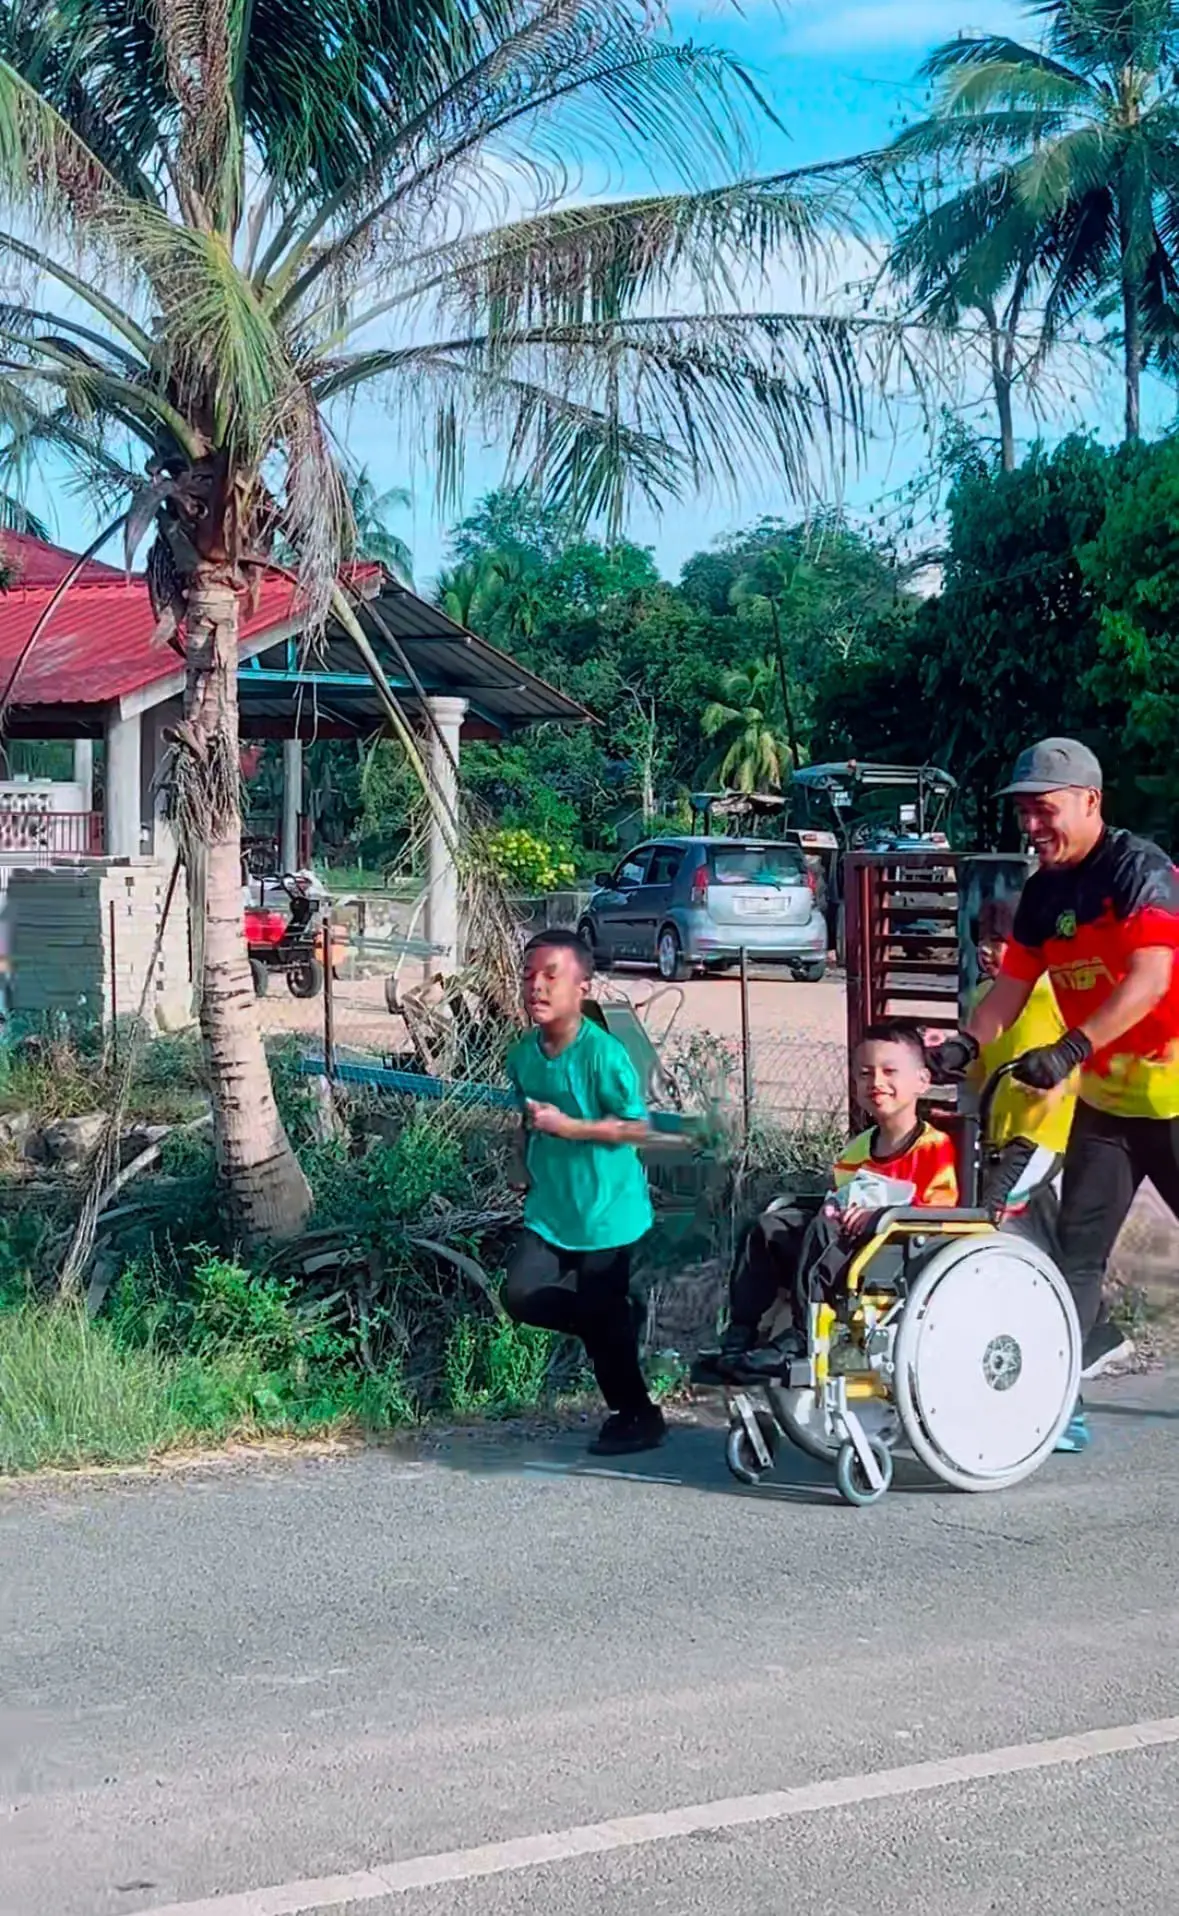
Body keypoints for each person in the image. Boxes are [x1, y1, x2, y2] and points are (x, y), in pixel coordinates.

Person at [933, 738, 1179, 1449]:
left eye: (1044, 809)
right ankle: (1056, 1401)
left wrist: (1071, 1047)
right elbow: (1007, 992)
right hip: (1107, 1109)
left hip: (1172, 1099)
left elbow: (1151, 980)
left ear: (1090, 801)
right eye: (1024, 813)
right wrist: (965, 1045)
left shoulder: (1139, 871)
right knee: (1075, 1257)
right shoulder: (1041, 894)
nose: (1032, 825)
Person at [707, 1021, 958, 1380]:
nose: (876, 1082)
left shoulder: (934, 1148)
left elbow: (940, 1213)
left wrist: (878, 1216)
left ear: (922, 1080)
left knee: (825, 1229)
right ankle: (742, 1332)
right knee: (769, 1226)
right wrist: (834, 1206)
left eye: (889, 1072)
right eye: (865, 1074)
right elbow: (841, 1196)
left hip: (897, 1254)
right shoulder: (857, 1150)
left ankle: (803, 1336)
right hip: (844, 1245)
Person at [502, 929, 665, 1458]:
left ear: (582, 987)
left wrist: (571, 1128)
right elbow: (524, 1119)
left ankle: (637, 1415)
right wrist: (518, 1162)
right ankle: (615, 1320)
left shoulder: (604, 1056)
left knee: (601, 1310)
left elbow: (637, 1129)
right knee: (521, 1295)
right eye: (529, 976)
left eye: (551, 976)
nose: (536, 987)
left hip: (607, 1215)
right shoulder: (522, 1055)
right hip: (550, 1210)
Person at [967, 895, 1077, 1243]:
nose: (985, 950)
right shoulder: (984, 996)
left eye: (998, 940)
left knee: (991, 1213)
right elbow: (978, 1069)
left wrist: (1062, 1085)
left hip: (1042, 1134)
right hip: (996, 1136)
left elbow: (1093, 1055)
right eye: (981, 939)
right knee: (1036, 1227)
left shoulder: (1056, 992)